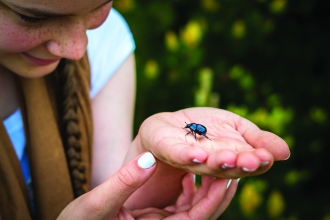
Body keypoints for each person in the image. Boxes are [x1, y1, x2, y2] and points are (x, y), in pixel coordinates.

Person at [0, 0, 290, 219]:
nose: (76, 50)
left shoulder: (106, 44)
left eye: (99, 7)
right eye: (30, 17)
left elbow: (115, 199)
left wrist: (154, 168)